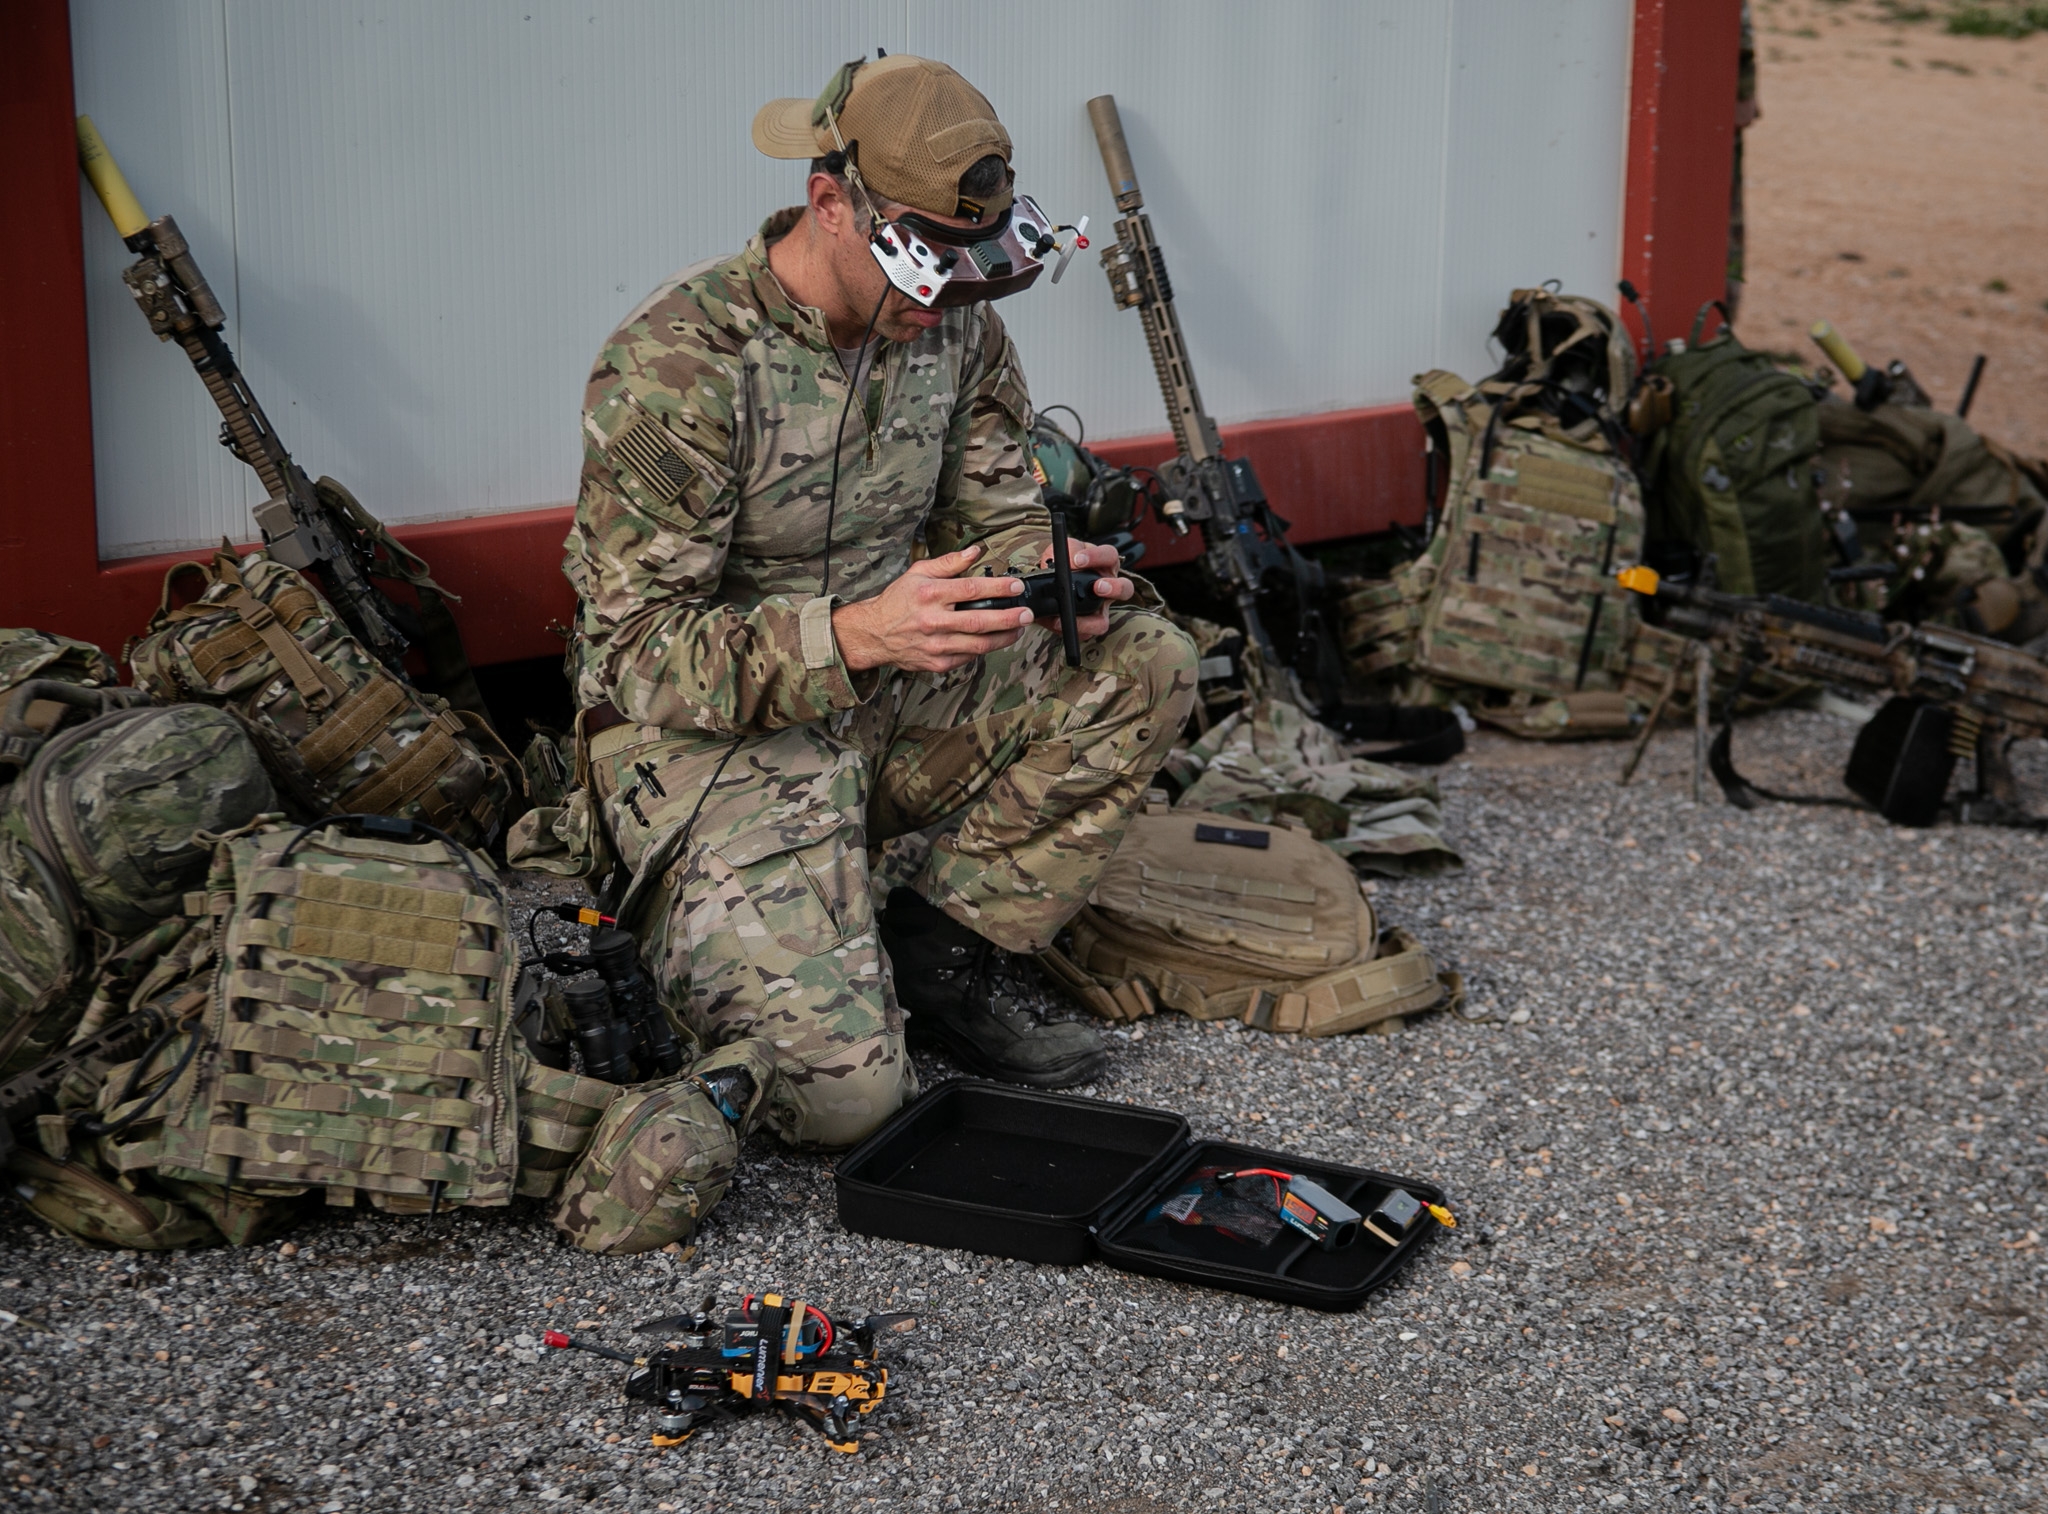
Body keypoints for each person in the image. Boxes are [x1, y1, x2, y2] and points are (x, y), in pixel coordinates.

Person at [558, 56, 1197, 1187]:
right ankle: (718, 926)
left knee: (1142, 657)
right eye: (922, 267)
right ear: (828, 204)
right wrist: (850, 636)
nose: (939, 301)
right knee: (847, 1106)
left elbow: (995, 517)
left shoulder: (952, 328)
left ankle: (935, 951)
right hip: (709, 737)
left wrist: (1049, 574)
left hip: (889, 676)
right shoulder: (681, 362)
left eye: (968, 273)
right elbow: (632, 653)